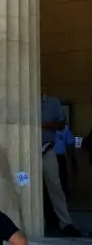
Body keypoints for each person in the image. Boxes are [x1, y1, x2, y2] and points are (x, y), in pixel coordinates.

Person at [40, 95, 80, 237]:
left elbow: (62, 123)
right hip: (24, 154)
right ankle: (26, 221)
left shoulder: (53, 102)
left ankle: (66, 223)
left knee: (56, 187)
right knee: (23, 183)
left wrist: (42, 125)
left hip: (47, 150)